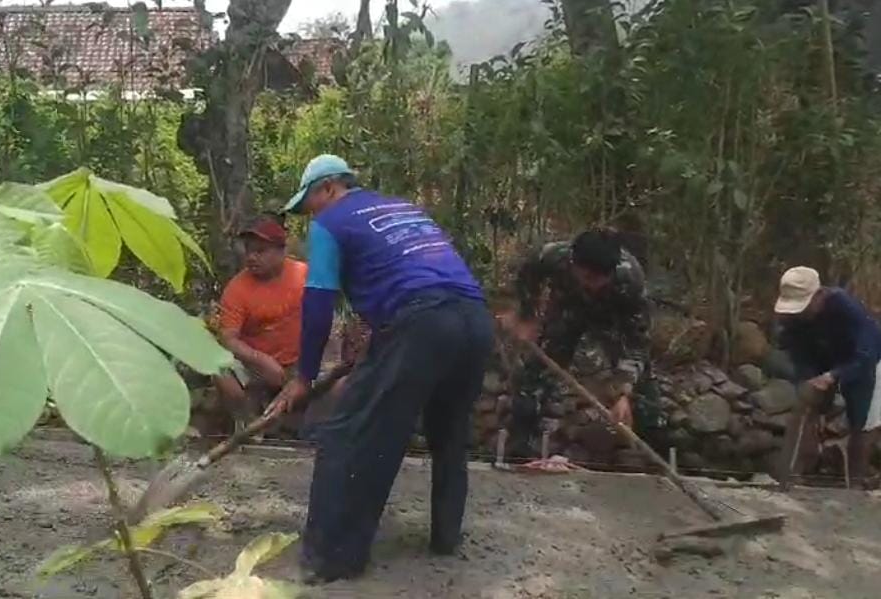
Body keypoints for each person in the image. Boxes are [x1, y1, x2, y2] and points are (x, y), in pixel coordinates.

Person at [266, 154, 493, 582]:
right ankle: (446, 537)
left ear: (329, 188)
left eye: (309, 202)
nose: (308, 214)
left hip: (422, 322)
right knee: (450, 431)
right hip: (475, 319)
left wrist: (304, 376)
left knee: (349, 435)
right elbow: (416, 272)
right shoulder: (403, 208)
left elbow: (318, 302)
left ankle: (331, 558)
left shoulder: (330, 222)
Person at [501, 229, 656, 455]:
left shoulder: (631, 279)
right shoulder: (554, 255)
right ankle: (520, 448)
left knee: (642, 392)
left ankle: (645, 451)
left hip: (613, 318)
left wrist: (624, 391)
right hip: (569, 310)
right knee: (534, 375)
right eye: (587, 278)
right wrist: (526, 315)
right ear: (572, 264)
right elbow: (528, 276)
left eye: (600, 280)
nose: (593, 286)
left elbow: (636, 342)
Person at [774, 266, 881, 488]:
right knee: (804, 403)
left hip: (866, 363)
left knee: (861, 426)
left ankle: (855, 487)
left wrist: (834, 376)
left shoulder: (847, 310)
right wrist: (810, 381)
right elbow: (799, 356)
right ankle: (790, 478)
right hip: (825, 364)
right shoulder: (792, 321)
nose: (801, 313)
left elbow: (867, 355)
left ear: (820, 295)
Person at [213, 216, 307, 432]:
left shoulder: (304, 274)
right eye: (248, 250)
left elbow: (323, 317)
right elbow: (228, 338)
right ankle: (247, 425)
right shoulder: (237, 289)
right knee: (220, 372)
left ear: (282, 251)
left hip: (301, 362)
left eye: (260, 251)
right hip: (256, 365)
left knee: (338, 383)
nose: (251, 257)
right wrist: (260, 360)